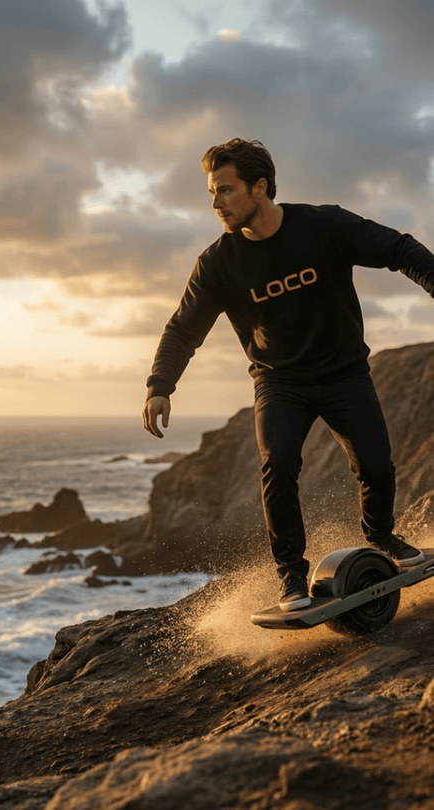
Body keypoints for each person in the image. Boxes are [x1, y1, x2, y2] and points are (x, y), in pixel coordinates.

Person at [142, 138, 434, 611]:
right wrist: (160, 385)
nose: (216, 203)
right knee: (278, 464)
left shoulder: (323, 226)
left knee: (376, 466)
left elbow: (398, 248)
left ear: (259, 189)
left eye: (225, 190)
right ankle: (291, 577)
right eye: (212, 193)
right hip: (279, 383)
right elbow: (183, 328)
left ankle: (382, 539)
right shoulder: (218, 263)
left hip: (344, 373)